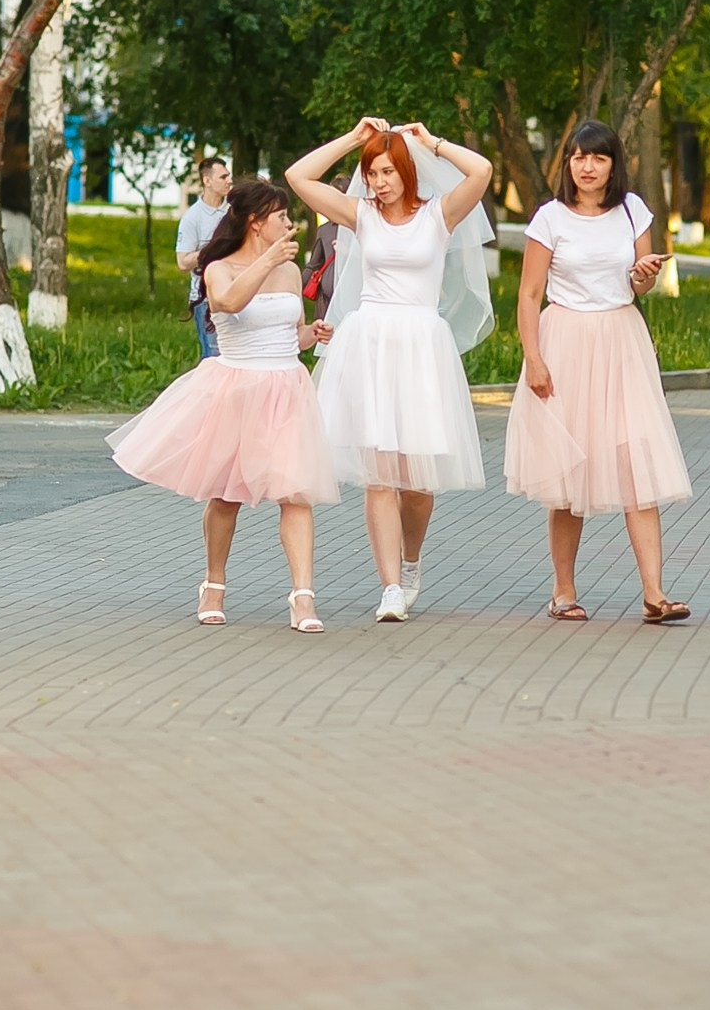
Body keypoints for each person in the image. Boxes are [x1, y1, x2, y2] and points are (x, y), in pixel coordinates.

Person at [290, 116, 496, 622]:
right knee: (379, 474)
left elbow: (484, 171)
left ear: (406, 170)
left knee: (417, 481)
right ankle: (387, 588)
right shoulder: (360, 216)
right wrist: (354, 140)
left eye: (386, 171)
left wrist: (434, 142)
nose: (378, 182)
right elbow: (298, 177)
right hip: (371, 343)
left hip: (421, 346)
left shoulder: (440, 215)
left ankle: (410, 560)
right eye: (371, 172)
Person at [109, 180, 337, 632]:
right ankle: (213, 584)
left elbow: (290, 332)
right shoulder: (218, 267)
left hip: (286, 386)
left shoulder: (290, 271)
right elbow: (228, 302)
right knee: (226, 494)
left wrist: (313, 333)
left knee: (295, 495)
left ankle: (303, 597)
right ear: (255, 222)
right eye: (280, 218)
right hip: (236, 387)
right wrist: (267, 260)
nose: (289, 225)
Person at [507, 120, 693, 624]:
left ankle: (654, 593)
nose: (587, 167)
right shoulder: (550, 219)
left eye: (599, 158)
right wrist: (534, 358)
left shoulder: (633, 211)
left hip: (621, 341)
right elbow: (527, 294)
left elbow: (637, 285)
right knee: (569, 472)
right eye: (578, 157)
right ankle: (563, 591)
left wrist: (643, 276)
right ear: (567, 163)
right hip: (564, 341)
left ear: (614, 164)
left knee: (637, 461)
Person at [175, 156, 231, 358]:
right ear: (207, 181)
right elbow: (182, 262)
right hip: (205, 298)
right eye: (223, 177)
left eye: (228, 176)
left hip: (236, 293)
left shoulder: (234, 212)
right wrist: (212, 250)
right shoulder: (193, 218)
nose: (228, 181)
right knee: (213, 355)